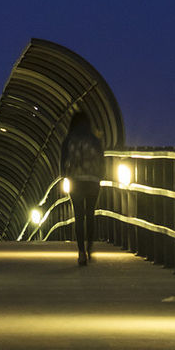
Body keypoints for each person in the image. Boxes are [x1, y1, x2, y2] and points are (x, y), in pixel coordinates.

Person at [60, 110, 105, 266]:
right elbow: (101, 160)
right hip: (93, 181)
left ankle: (81, 252)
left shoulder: (69, 139)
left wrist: (64, 176)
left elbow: (63, 161)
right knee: (90, 214)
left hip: (76, 181)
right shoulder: (94, 139)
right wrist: (100, 176)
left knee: (79, 216)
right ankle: (90, 247)